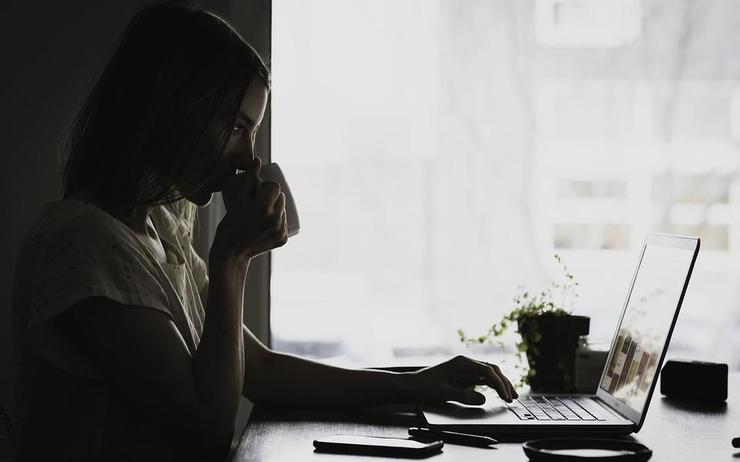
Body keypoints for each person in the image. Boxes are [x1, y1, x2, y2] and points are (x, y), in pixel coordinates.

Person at [11, 2, 516, 461]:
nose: (250, 156)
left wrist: (416, 384)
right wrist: (232, 259)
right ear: (168, 111)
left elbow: (261, 370)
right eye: (235, 127)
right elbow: (207, 427)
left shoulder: (158, 232)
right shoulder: (85, 244)